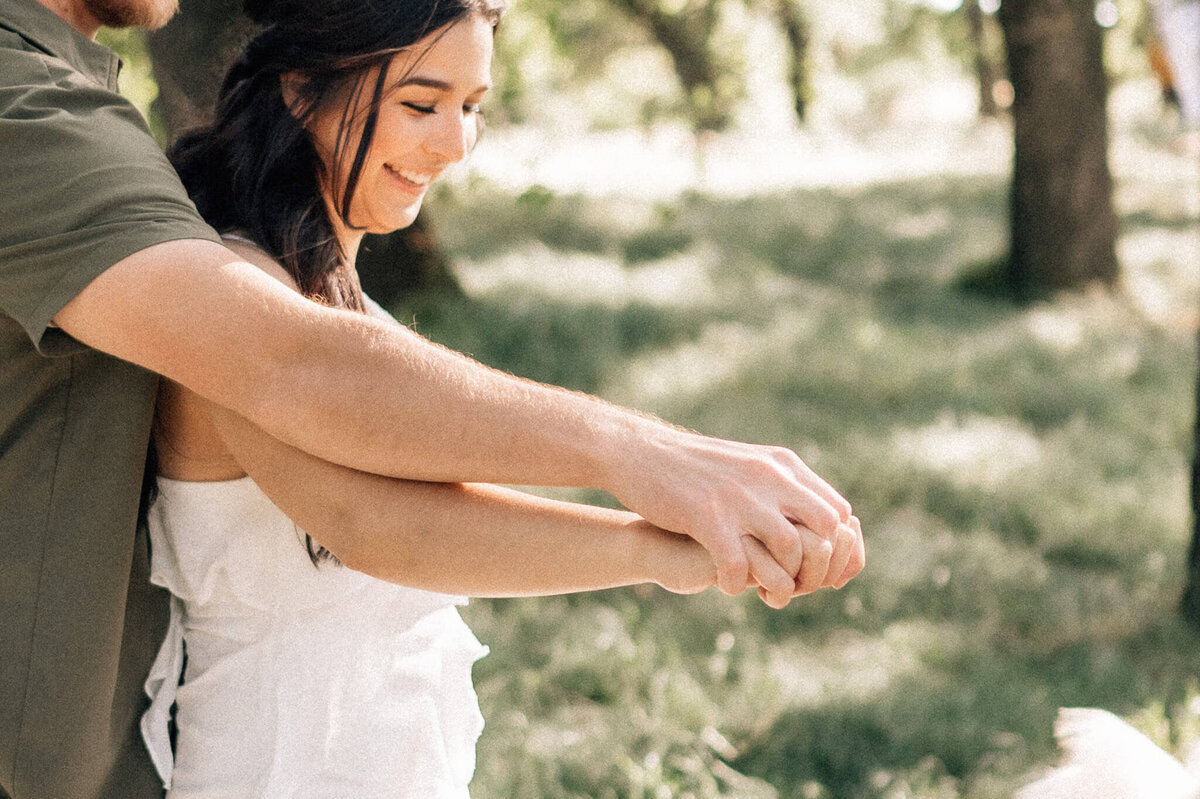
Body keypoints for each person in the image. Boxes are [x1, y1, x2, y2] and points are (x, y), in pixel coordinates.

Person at [0, 0, 863, 797]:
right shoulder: (248, 303)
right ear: (301, 91)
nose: (454, 143)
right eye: (421, 104)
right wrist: (652, 496)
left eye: (474, 106)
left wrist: (678, 549)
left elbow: (416, 504)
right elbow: (373, 524)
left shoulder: (332, 312)